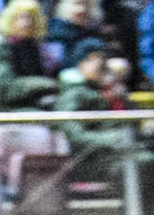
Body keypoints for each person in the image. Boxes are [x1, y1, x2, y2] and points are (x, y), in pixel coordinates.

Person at [54, 38, 130, 181]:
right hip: (90, 162)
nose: (98, 63)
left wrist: (121, 100)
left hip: (119, 154)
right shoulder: (72, 94)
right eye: (91, 59)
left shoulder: (109, 92)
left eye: (101, 58)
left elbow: (128, 127)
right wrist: (113, 138)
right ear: (79, 64)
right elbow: (74, 135)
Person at [0, 0, 60, 109]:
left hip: (31, 105)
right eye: (20, 18)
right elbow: (0, 88)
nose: (26, 23)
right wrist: (44, 84)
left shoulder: (37, 50)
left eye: (31, 18)